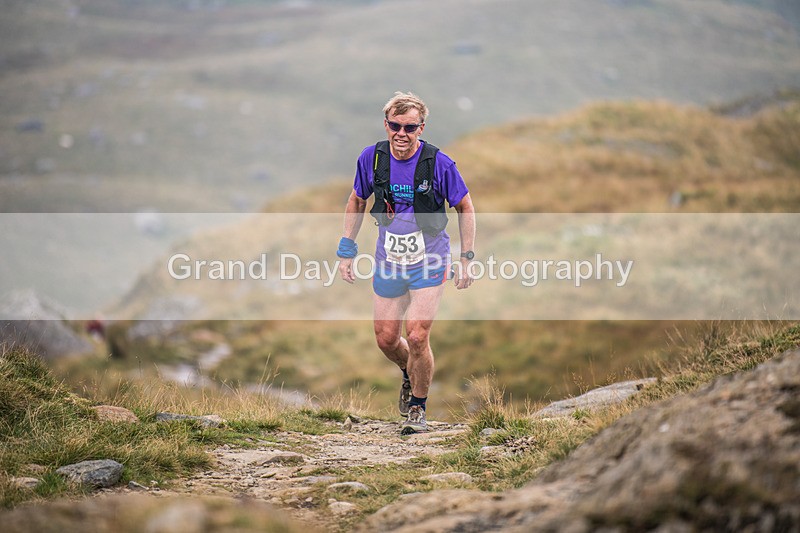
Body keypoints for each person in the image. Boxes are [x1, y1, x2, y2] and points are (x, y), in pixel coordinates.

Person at [337, 91, 476, 433]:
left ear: (421, 128)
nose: (401, 133)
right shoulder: (371, 159)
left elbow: (466, 207)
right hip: (389, 260)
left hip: (430, 260)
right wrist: (346, 250)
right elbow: (357, 200)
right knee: (386, 339)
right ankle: (407, 370)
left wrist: (466, 258)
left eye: (410, 127)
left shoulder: (438, 163)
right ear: (386, 125)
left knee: (416, 335)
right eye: (395, 126)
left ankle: (418, 406)